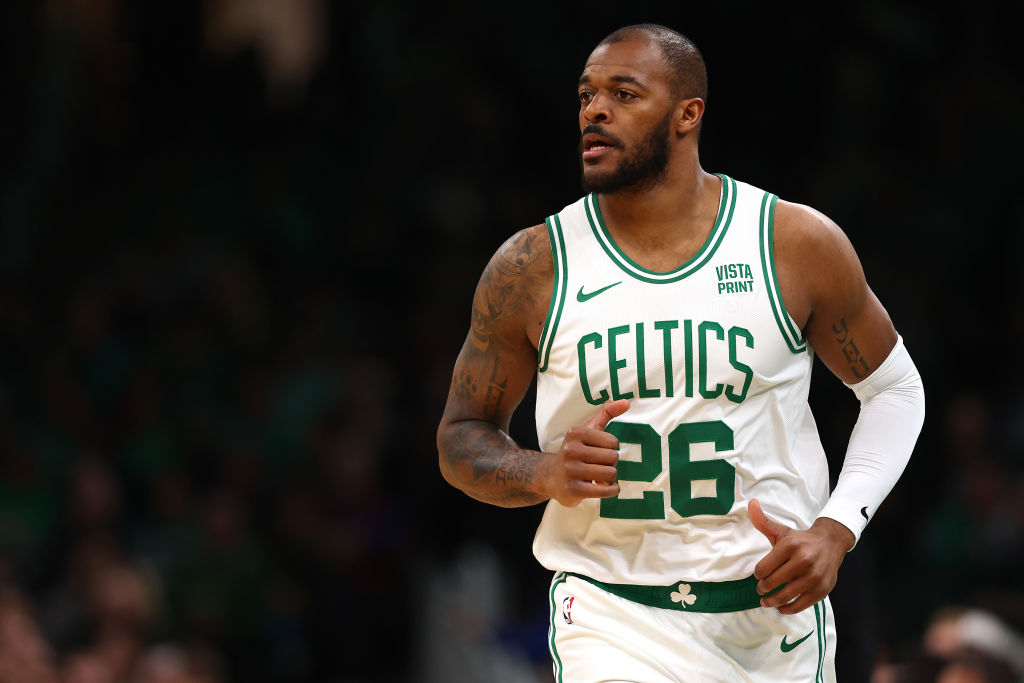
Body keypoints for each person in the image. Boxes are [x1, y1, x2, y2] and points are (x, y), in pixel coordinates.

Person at [437, 23, 924, 682]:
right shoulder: (532, 265)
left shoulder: (791, 242)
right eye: (586, 95)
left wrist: (837, 528)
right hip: (611, 613)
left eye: (623, 93)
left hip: (768, 615)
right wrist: (544, 472)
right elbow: (460, 436)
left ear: (687, 114)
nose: (594, 110)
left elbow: (894, 390)